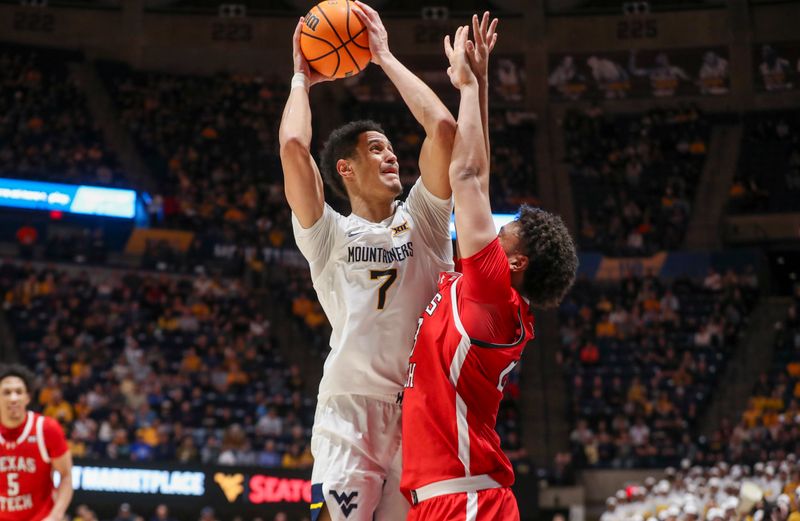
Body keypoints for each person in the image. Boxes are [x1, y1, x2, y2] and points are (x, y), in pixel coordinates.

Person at [278, 1, 472, 519]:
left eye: (392, 150)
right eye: (378, 149)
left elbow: (445, 130)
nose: (392, 157)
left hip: (420, 412)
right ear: (345, 167)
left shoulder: (425, 221)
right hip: (349, 412)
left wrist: (383, 56)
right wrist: (301, 78)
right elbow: (295, 145)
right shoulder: (329, 234)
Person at [400, 20, 578, 521]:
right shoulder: (486, 294)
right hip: (448, 497)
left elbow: (468, 176)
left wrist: (471, 86)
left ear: (515, 263)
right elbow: (477, 172)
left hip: (467, 498)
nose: (494, 231)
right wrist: (477, 88)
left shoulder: (493, 298)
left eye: (508, 233)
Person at [0, 364, 73, 521]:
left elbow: (66, 477)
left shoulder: (46, 429)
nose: (13, 398)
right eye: (7, 392)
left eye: (18, 392)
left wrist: (56, 515)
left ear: (27, 397)